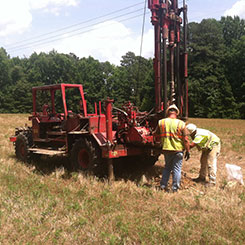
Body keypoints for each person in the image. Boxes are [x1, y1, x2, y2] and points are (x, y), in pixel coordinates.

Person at [154, 104, 190, 192]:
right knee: (177, 169)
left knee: (167, 168)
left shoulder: (161, 122)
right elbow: (185, 139)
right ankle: (175, 188)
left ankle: (163, 186)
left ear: (167, 112)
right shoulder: (181, 123)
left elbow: (155, 134)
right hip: (178, 150)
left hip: (166, 149)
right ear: (177, 113)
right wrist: (188, 151)